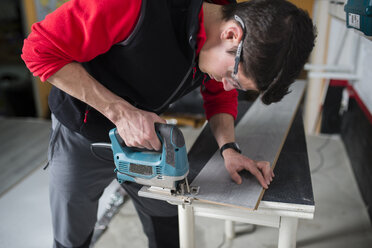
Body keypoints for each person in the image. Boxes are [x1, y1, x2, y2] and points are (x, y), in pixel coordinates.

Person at [21, 0, 315, 247]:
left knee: (168, 224)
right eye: (233, 78)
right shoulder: (132, 6)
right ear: (232, 35)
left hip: (147, 137)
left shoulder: (222, 14)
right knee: (72, 235)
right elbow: (38, 50)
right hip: (81, 133)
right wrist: (122, 114)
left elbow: (218, 96)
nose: (227, 86)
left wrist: (228, 147)